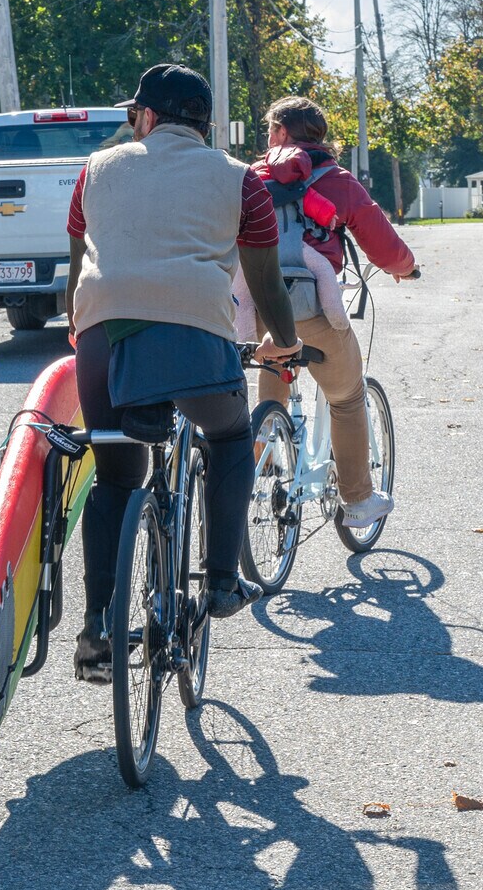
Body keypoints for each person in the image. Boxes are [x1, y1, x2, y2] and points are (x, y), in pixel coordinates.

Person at [64, 64, 303, 682]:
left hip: (103, 337)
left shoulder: (94, 169)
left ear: (144, 116)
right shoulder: (242, 181)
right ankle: (222, 581)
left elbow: (78, 263)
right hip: (196, 335)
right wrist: (286, 343)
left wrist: (80, 328)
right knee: (227, 436)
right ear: (205, 125)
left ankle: (96, 629)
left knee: (117, 474)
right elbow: (265, 280)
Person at [252, 96, 420, 530]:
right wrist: (406, 268)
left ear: (283, 134)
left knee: (270, 368)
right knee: (347, 398)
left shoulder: (251, 178)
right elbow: (383, 246)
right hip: (313, 310)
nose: (268, 138)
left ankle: (259, 465)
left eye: (271, 129)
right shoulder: (339, 182)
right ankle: (359, 500)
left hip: (256, 309)